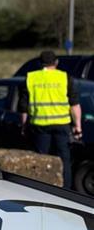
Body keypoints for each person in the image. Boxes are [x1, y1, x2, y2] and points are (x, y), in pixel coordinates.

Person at [18, 50, 82, 190]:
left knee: (42, 158)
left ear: (40, 63)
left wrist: (23, 126)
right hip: (62, 124)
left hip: (40, 125)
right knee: (63, 159)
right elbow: (75, 105)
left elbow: (23, 107)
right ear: (56, 62)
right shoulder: (65, 77)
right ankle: (65, 189)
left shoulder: (31, 78)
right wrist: (78, 126)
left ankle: (42, 188)